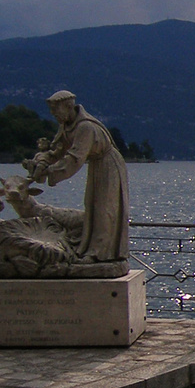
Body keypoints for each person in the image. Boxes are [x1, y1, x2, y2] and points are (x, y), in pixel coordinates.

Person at [28, 90, 130, 264]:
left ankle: (100, 253)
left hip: (108, 165)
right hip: (97, 165)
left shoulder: (85, 127)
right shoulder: (67, 126)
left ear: (68, 107)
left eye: (56, 111)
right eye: (52, 112)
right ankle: (92, 248)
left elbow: (74, 159)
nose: (54, 115)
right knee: (92, 205)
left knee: (104, 209)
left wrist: (49, 172)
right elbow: (58, 150)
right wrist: (41, 161)